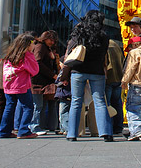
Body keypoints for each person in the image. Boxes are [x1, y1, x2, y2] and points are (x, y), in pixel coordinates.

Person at [66, 10, 113, 142]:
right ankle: (105, 133)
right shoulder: (104, 36)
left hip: (78, 70)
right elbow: (104, 53)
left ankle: (72, 134)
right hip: (97, 71)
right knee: (100, 102)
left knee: (76, 101)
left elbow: (70, 49)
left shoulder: (79, 32)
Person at [0, 33, 39, 139]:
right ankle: (24, 130)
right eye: (33, 43)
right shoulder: (26, 56)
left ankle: (4, 131)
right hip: (21, 86)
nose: (34, 46)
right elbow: (35, 70)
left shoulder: (10, 56)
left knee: (9, 107)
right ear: (28, 45)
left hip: (8, 86)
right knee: (28, 107)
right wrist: (31, 54)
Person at [30, 30, 59, 135]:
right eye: (51, 40)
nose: (52, 42)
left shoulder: (45, 47)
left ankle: (39, 126)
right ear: (45, 38)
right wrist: (52, 74)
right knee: (37, 105)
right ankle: (34, 126)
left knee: (41, 105)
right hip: (37, 81)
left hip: (42, 80)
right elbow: (38, 62)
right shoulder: (40, 47)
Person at [105, 39, 125, 135]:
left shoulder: (105, 45)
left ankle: (108, 126)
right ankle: (118, 127)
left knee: (107, 103)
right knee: (117, 103)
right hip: (119, 77)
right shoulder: (116, 45)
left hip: (109, 77)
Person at [54, 56, 71, 135]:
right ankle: (63, 128)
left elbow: (59, 81)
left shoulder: (64, 72)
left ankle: (67, 129)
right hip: (65, 94)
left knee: (63, 112)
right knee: (63, 112)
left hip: (64, 94)